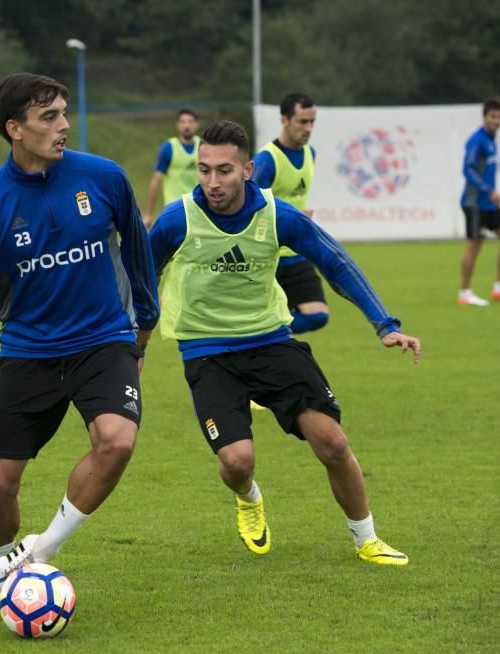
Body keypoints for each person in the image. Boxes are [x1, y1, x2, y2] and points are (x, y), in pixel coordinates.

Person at [0, 73, 160, 616]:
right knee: (0, 486)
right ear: (15, 129)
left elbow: (138, 254)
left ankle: (37, 555)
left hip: (104, 339)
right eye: (48, 117)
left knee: (117, 442)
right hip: (28, 351)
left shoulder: (103, 178)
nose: (63, 126)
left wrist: (142, 326)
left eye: (62, 113)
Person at [149, 120, 420, 565]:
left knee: (332, 442)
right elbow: (141, 273)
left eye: (224, 170)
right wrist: (132, 339)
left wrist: (383, 324)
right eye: (204, 170)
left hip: (272, 341)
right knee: (237, 462)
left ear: (248, 170)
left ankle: (367, 540)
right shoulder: (178, 219)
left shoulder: (278, 217)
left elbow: (335, 262)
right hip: (206, 350)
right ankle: (249, 498)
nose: (212, 182)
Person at [252, 92, 328, 334]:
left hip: (296, 250)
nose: (308, 128)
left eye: (312, 122)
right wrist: (291, 215)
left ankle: (261, 332)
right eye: (302, 122)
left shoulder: (310, 154)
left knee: (317, 316)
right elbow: (248, 209)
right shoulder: (267, 160)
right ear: (284, 120)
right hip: (267, 255)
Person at [458, 98, 500, 306]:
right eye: (493, 116)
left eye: (499, 117)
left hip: (489, 203)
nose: (496, 121)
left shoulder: (491, 140)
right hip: (475, 202)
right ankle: (465, 293)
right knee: (474, 247)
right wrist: (488, 190)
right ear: (484, 117)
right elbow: (467, 169)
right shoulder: (477, 140)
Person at [143, 109, 201, 228]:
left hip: (199, 206)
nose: (187, 125)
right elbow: (156, 181)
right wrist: (149, 213)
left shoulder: (203, 146)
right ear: (178, 125)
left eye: (190, 122)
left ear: (196, 124)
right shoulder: (168, 148)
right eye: (183, 122)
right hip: (175, 208)